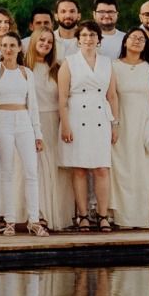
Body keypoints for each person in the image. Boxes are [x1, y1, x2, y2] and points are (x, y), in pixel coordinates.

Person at [0, 33, 48, 236]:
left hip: (23, 121)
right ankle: (10, 219)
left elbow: (33, 105)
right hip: (2, 120)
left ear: (20, 48)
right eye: (4, 45)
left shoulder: (26, 72)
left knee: (31, 171)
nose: (8, 49)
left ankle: (34, 220)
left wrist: (38, 134)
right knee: (7, 172)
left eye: (12, 45)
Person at [58, 22, 119, 232]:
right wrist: (65, 125)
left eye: (92, 35)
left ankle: (102, 215)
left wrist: (115, 124)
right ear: (78, 39)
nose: (88, 39)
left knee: (102, 168)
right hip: (76, 116)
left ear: (99, 39)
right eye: (84, 35)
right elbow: (62, 97)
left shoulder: (106, 62)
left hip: (101, 116)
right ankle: (82, 215)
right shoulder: (69, 63)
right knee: (80, 169)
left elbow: (112, 95)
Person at [107, 25, 149, 228]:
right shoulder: (113, 66)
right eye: (133, 37)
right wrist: (113, 123)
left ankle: (143, 216)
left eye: (141, 39)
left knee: (144, 168)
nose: (137, 41)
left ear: (146, 45)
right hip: (122, 120)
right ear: (125, 41)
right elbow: (111, 95)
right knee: (121, 167)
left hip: (144, 120)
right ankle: (121, 217)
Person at [27, 28, 75, 231]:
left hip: (55, 121)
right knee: (35, 168)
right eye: (42, 40)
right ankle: (38, 214)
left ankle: (59, 214)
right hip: (31, 122)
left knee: (57, 168)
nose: (46, 44)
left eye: (49, 42)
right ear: (34, 41)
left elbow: (66, 98)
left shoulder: (59, 68)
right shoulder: (23, 68)